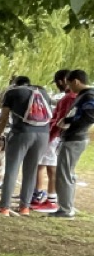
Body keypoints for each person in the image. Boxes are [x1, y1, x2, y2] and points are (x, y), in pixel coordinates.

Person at [0, 75, 53, 216]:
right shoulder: (42, 92)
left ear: (14, 84)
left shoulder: (12, 92)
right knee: (31, 171)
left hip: (21, 133)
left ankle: (4, 207)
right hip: (43, 135)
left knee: (12, 170)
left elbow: (3, 118)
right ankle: (25, 207)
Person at [49, 69, 94, 219]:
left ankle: (65, 209)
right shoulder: (83, 95)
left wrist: (71, 125)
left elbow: (88, 117)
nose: (69, 88)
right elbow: (77, 114)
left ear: (76, 81)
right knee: (68, 173)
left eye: (70, 84)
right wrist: (67, 121)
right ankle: (67, 206)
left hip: (75, 138)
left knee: (64, 174)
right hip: (72, 137)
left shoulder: (89, 96)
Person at [30, 70, 73, 211]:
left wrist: (50, 136)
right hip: (57, 136)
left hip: (54, 136)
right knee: (46, 166)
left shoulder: (68, 98)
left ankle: (47, 198)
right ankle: (45, 197)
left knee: (47, 166)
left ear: (62, 81)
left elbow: (59, 120)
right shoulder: (69, 97)